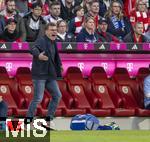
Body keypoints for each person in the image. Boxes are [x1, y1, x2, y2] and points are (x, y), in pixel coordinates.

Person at [25, 22, 63, 130]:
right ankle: (28, 121)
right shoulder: (41, 40)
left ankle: (48, 120)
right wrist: (39, 55)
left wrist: (59, 65)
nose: (54, 32)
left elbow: (56, 55)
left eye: (55, 30)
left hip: (50, 75)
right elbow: (33, 49)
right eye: (51, 30)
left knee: (57, 95)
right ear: (46, 31)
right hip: (40, 75)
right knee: (38, 98)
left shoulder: (53, 41)